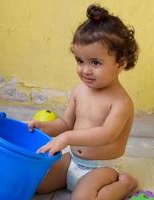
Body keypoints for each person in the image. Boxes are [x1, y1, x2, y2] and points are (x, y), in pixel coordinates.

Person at [28, 4, 139, 200]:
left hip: (102, 167)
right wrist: (42, 126)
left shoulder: (121, 102)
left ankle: (124, 185)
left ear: (120, 63)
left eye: (95, 63)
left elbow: (107, 135)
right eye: (80, 61)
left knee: (81, 199)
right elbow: (65, 124)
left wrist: (68, 138)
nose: (85, 70)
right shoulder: (79, 91)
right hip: (73, 159)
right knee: (35, 184)